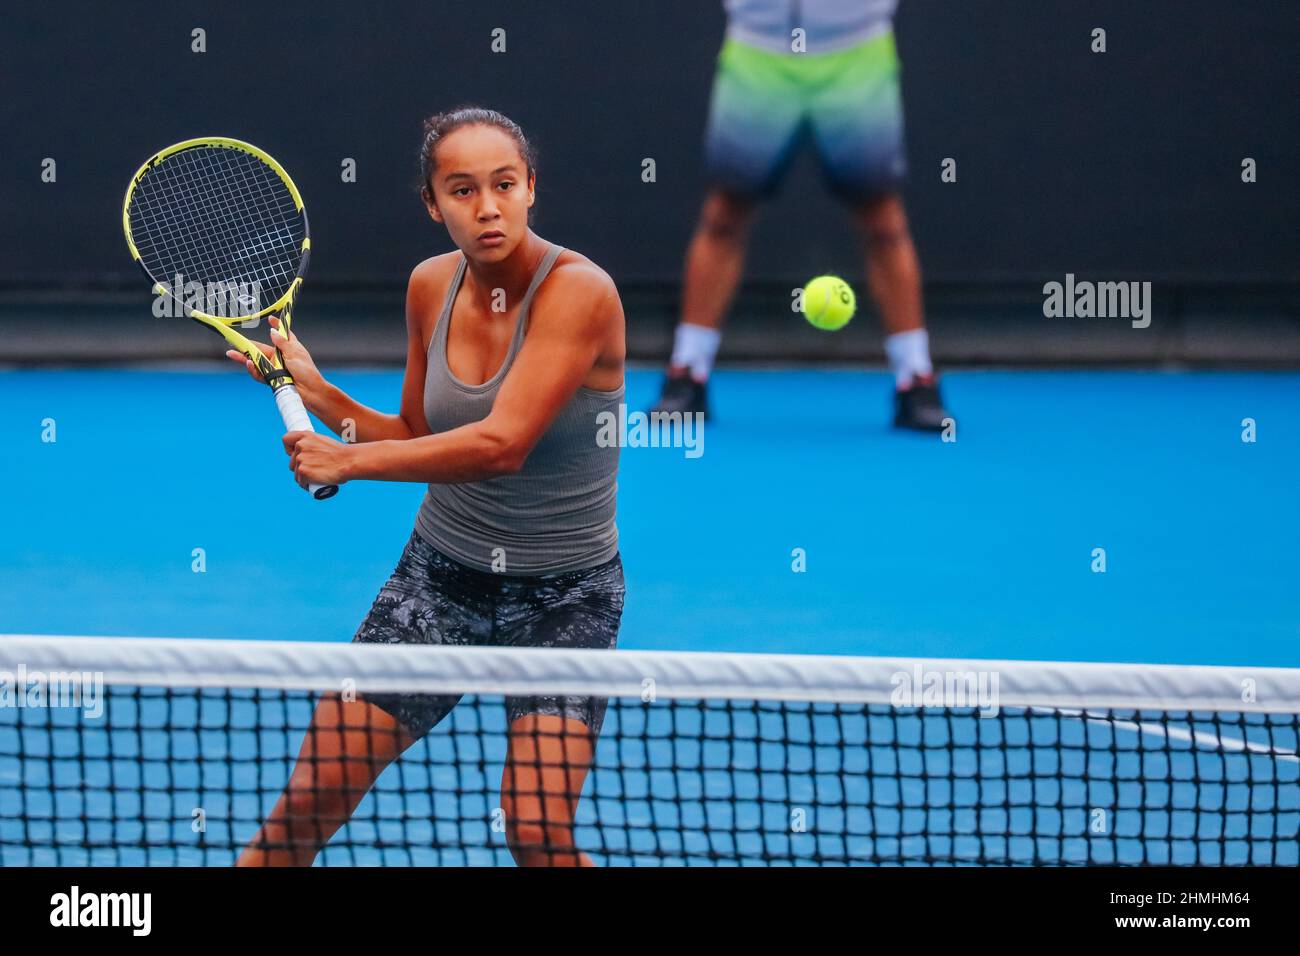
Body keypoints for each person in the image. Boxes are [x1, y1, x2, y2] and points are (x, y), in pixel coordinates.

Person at [231, 108, 627, 866]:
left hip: (565, 599)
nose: (487, 208)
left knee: (537, 833)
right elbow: (416, 432)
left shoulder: (581, 293)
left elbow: (500, 446)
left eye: (504, 184)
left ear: (531, 188)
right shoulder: (429, 286)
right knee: (304, 808)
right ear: (431, 203)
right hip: (439, 580)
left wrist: (344, 464)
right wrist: (321, 396)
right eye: (462, 189)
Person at [652, 0, 950, 431]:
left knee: (883, 218)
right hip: (757, 52)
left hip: (857, 52)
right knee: (724, 213)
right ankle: (687, 373)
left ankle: (916, 379)